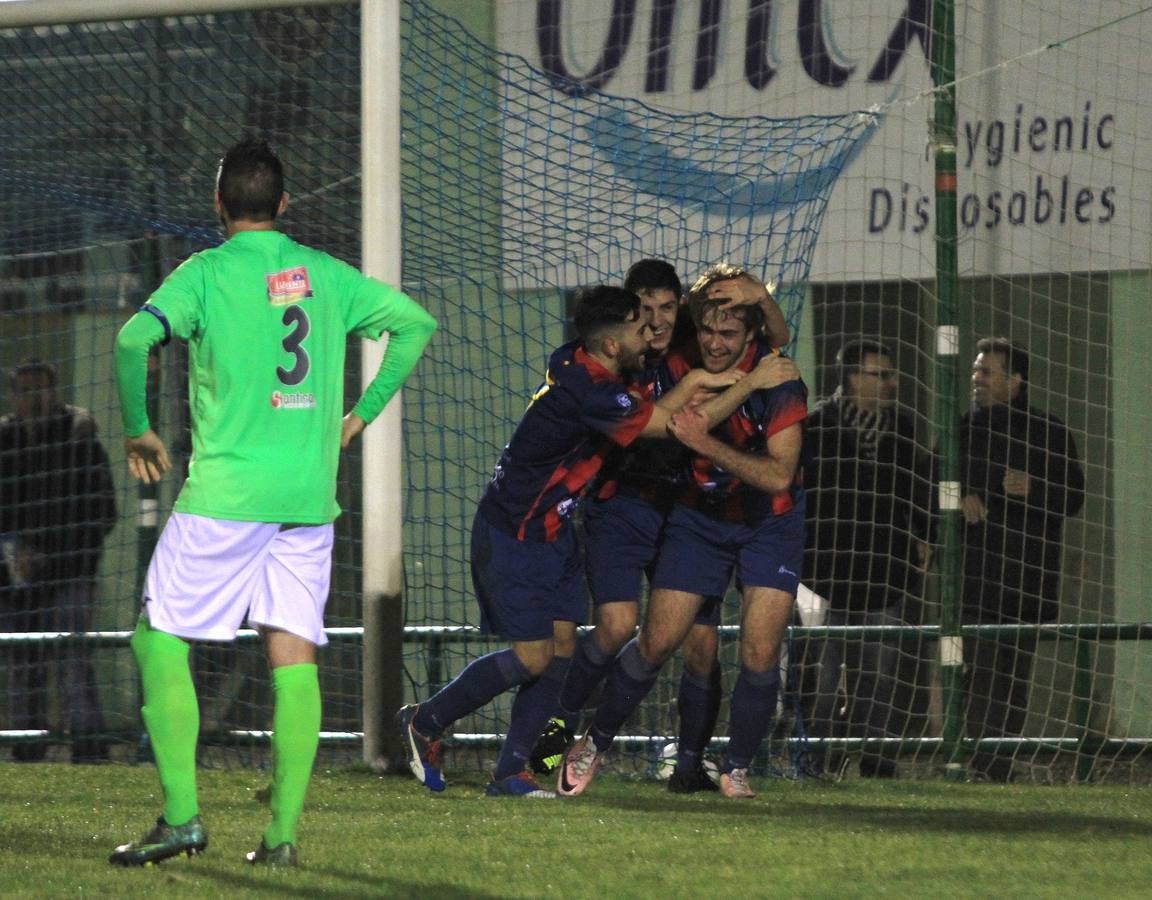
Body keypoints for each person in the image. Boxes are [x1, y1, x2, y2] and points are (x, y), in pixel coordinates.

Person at [108, 137, 436, 867]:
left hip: (228, 493)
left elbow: (133, 341)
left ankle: (183, 818)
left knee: (157, 640)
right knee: (292, 658)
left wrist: (137, 429)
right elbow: (417, 324)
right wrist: (358, 414)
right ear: (284, 205)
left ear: (219, 205)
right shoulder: (325, 274)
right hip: (306, 500)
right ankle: (281, 835)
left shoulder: (206, 273)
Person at [397, 284, 787, 799]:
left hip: (557, 531)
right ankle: (426, 720)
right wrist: (748, 382)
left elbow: (663, 407)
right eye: (635, 321)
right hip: (519, 532)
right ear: (610, 342)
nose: (647, 328)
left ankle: (514, 769)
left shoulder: (584, 363)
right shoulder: (594, 390)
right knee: (551, 650)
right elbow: (672, 426)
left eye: (658, 314)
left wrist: (698, 373)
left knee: (565, 651)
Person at [558, 263, 808, 800]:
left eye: (729, 333)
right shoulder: (676, 360)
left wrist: (703, 441)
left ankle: (735, 767)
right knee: (654, 639)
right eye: (708, 330)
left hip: (771, 519)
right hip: (698, 515)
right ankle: (590, 741)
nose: (715, 343)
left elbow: (779, 474)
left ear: (751, 333)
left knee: (760, 652)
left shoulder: (781, 379)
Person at [798, 339, 933, 778]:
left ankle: (876, 759)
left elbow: (916, 490)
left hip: (886, 572)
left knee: (879, 673)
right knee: (824, 673)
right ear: (853, 377)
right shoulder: (817, 428)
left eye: (890, 375)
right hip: (827, 573)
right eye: (880, 375)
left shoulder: (903, 429)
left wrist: (925, 536)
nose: (890, 384)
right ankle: (818, 759)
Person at [960, 338, 1084, 782]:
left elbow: (1073, 496)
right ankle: (980, 764)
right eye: (976, 370)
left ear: (1015, 381)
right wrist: (960, 498)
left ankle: (998, 763)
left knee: (1014, 680)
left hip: (1028, 578)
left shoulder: (1049, 432)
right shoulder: (963, 429)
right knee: (980, 674)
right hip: (975, 581)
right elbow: (929, 484)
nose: (976, 379)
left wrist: (1033, 489)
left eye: (986, 371)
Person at [0, 360, 118, 764]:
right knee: (21, 661)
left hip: (69, 571)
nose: (32, 398)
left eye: (39, 389)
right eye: (24, 390)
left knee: (71, 659)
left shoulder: (78, 437)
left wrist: (50, 552)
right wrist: (13, 552)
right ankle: (28, 747)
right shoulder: (6, 439)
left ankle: (88, 748)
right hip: (14, 575)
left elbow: (101, 511)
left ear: (54, 392)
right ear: (13, 395)